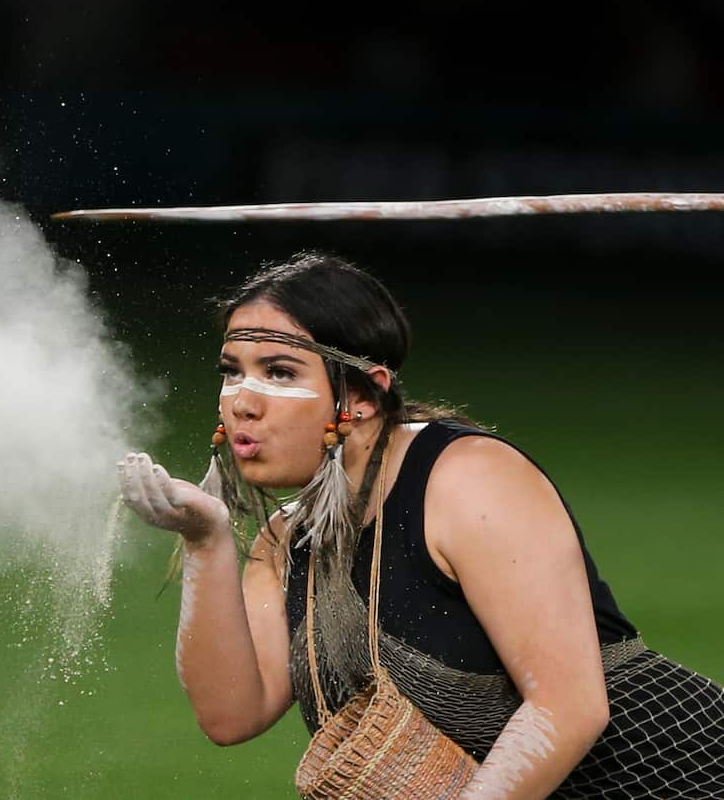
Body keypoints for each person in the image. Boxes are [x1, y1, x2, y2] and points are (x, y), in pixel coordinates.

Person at [118, 251, 724, 799]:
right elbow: (231, 715)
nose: (243, 401)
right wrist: (205, 540)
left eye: (280, 373)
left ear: (363, 396)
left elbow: (568, 707)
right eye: (232, 370)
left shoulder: (467, 479)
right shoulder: (285, 541)